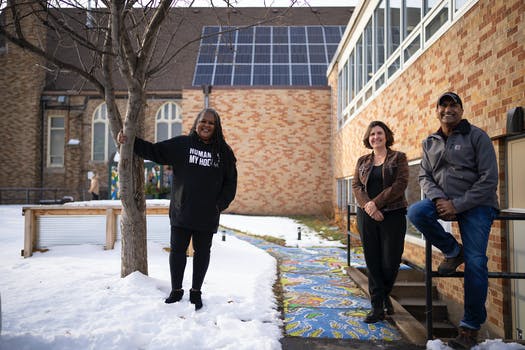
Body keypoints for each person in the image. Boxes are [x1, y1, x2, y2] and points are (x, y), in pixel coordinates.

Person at [118, 108, 237, 310]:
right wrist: (130, 141)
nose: (206, 126)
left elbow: (231, 182)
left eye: (211, 123)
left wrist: (219, 205)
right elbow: (155, 151)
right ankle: (176, 290)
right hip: (182, 211)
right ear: (196, 123)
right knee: (178, 252)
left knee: (202, 253)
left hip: (207, 215)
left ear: (216, 127)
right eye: (203, 121)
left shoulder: (223, 152)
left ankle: (196, 292)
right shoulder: (183, 145)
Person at [407, 92, 498, 349]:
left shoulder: (477, 136)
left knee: (477, 262)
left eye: (453, 105)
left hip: (477, 205)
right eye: (443, 105)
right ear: (437, 111)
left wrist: (456, 205)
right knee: (416, 212)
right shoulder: (430, 142)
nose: (448, 109)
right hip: (443, 201)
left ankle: (469, 329)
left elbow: (489, 180)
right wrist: (438, 201)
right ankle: (452, 250)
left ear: (461, 109)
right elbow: (425, 176)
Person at [351, 121, 409, 323]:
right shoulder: (362, 161)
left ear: (386, 136)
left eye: (379, 133)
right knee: (372, 260)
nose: (376, 137)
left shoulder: (398, 158)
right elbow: (356, 185)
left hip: (393, 214)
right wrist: (368, 206)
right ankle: (378, 306)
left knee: (390, 261)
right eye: (372, 134)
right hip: (366, 216)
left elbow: (400, 184)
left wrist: (376, 204)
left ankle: (384, 295)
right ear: (368, 138)